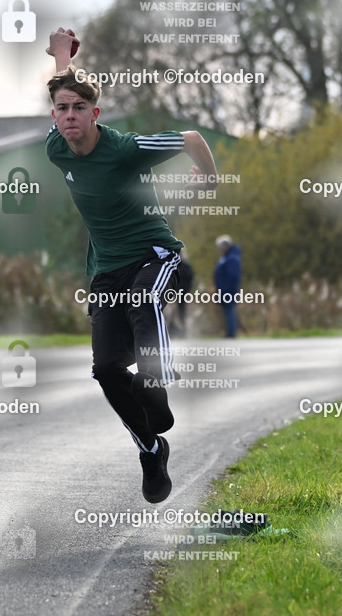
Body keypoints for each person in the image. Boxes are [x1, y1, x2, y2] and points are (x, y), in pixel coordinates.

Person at [44, 27, 219, 504]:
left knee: (144, 305)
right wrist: (62, 54)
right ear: (55, 117)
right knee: (104, 369)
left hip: (155, 256)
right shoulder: (57, 149)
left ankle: (156, 378)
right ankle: (150, 447)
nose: (71, 115)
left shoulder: (122, 149)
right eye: (62, 109)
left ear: (96, 114)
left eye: (80, 108)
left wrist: (211, 181)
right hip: (105, 271)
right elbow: (63, 84)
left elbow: (191, 137)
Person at [214, 235, 241, 338]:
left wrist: (226, 289)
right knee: (227, 310)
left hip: (228, 290)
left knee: (229, 310)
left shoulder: (232, 258)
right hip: (224, 289)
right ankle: (229, 331)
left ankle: (231, 333)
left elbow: (232, 276)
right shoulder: (227, 258)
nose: (219, 249)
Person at [170, 249, 194, 339]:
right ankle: (172, 331)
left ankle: (183, 332)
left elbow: (190, 279)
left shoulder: (185, 266)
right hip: (172, 293)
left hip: (181, 293)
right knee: (172, 313)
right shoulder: (173, 265)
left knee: (181, 313)